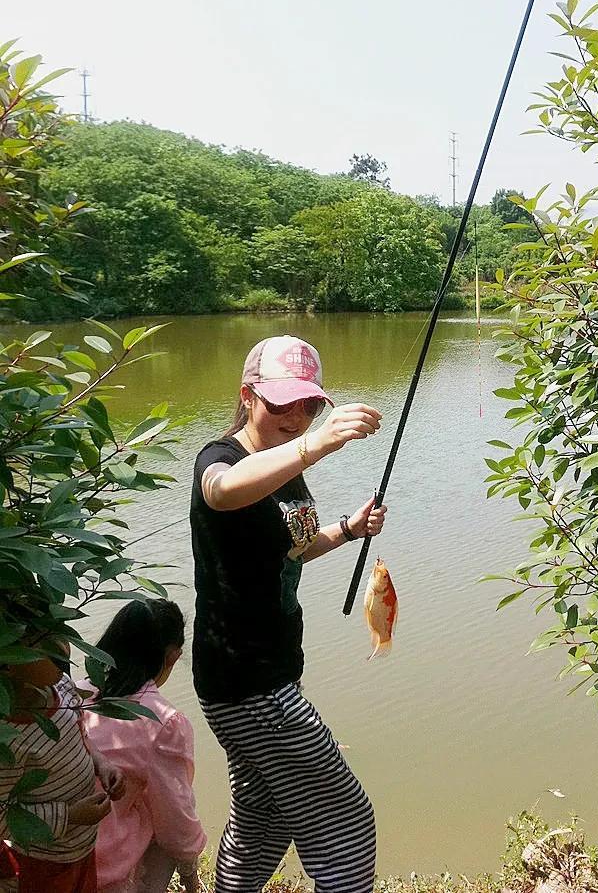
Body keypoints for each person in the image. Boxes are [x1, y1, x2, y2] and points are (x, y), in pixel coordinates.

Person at [190, 334, 387, 893]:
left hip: (268, 670)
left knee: (263, 816)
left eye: (307, 405)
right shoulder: (222, 457)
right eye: (281, 402)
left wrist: (348, 529)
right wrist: (317, 444)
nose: (295, 416)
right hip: (246, 680)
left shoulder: (285, 470)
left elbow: (295, 548)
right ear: (248, 395)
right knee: (347, 817)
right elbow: (221, 493)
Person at [81, 600, 207, 893]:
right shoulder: (163, 722)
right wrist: (191, 878)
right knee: (169, 807)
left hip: (42, 853)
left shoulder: (73, 694)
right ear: (172, 656)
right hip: (100, 869)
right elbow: (177, 824)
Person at [0, 639, 126, 893]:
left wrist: (101, 764)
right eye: (42, 643)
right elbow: (3, 816)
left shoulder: (62, 688)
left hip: (81, 847)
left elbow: (80, 736)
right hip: (44, 859)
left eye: (59, 632)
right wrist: (70, 816)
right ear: (8, 663)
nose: (61, 647)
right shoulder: (9, 740)